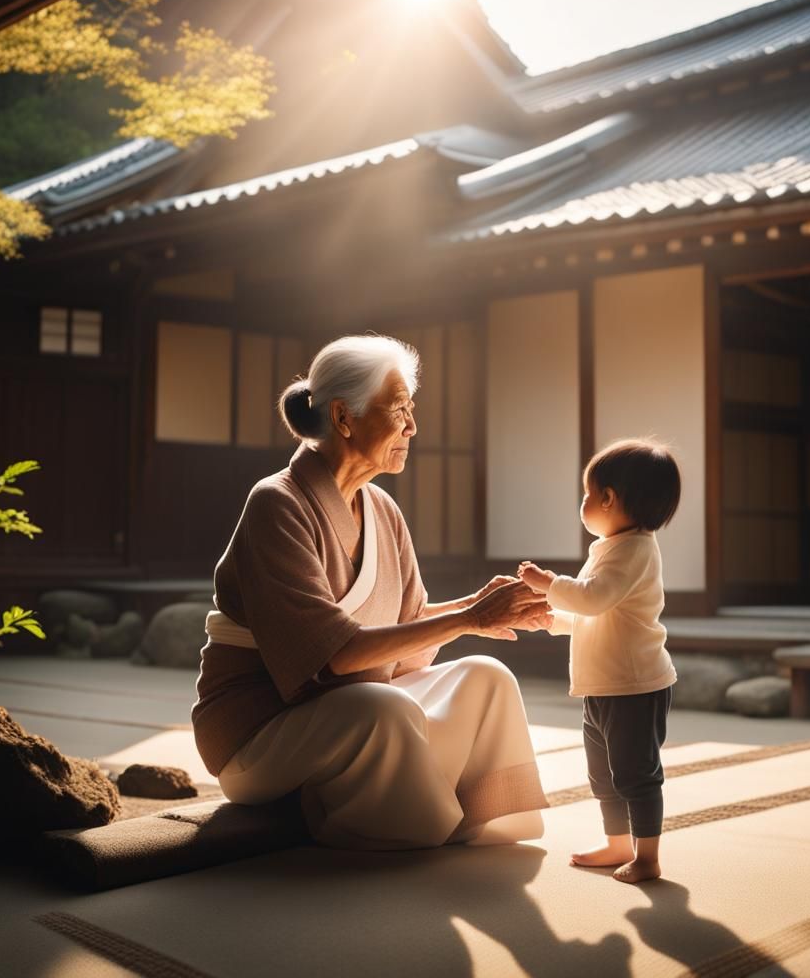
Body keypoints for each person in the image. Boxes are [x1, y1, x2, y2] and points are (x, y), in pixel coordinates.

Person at [191, 334, 552, 850]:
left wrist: (483, 609)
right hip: (260, 732)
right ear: (343, 418)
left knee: (485, 677)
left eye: (412, 409)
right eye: (400, 408)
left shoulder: (382, 508)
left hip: (350, 711)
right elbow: (337, 656)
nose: (413, 426)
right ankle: (401, 830)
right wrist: (471, 618)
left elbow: (407, 643)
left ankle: (481, 822)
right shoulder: (277, 503)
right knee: (386, 711)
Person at [518, 439, 680, 883]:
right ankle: (617, 843)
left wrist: (547, 583)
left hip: (634, 685)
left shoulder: (635, 550)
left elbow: (595, 599)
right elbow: (599, 615)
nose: (584, 503)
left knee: (636, 774)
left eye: (587, 494)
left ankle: (647, 856)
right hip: (603, 684)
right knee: (604, 773)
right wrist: (552, 620)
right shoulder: (610, 549)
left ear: (607, 498)